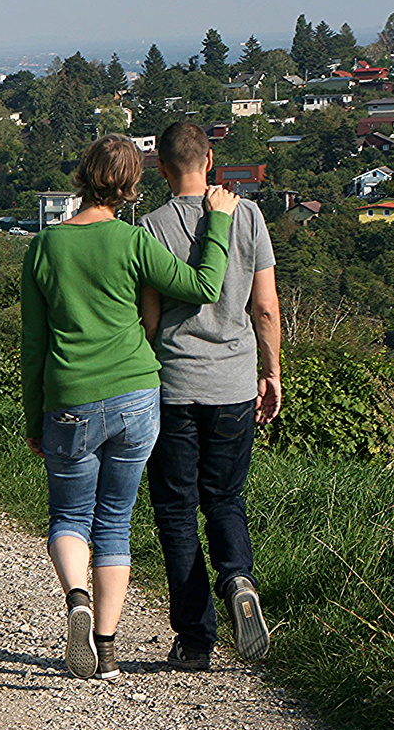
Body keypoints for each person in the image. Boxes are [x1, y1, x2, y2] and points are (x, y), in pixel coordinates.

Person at [21, 134, 240, 680]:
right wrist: (216, 221)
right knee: (115, 523)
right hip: (136, 396)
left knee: (70, 517)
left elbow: (33, 343)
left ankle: (76, 596)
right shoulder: (132, 241)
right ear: (132, 184)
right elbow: (202, 284)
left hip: (68, 398)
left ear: (81, 175)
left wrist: (34, 418)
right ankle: (107, 648)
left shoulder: (45, 247)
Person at [140, 122, 281, 670]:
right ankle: (238, 578)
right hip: (233, 384)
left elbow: (149, 319)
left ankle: (196, 639)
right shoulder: (248, 217)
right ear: (211, 158)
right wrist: (271, 372)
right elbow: (265, 308)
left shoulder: (149, 230)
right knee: (225, 497)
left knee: (175, 511)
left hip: (174, 386)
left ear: (160, 167)